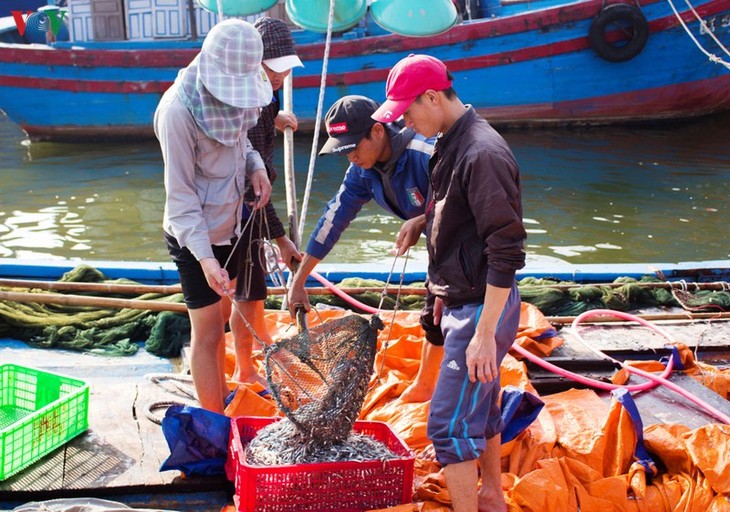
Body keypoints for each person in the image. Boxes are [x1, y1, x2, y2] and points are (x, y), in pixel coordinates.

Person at [373, 54, 526, 512]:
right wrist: (423, 220)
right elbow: (458, 211)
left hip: (483, 307)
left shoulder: (482, 153)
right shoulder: (449, 140)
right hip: (462, 297)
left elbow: (506, 249)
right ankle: (491, 494)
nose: (404, 123)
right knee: (482, 403)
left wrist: (482, 335)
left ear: (433, 97)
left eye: (407, 111)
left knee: (447, 425)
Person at [285, 94, 445, 402]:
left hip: (469, 236)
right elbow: (334, 218)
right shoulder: (362, 169)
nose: (352, 158)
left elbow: (466, 197)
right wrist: (299, 280)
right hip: (439, 237)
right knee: (435, 306)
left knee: (448, 306)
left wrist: (422, 220)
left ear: (377, 131)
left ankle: (435, 388)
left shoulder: (426, 152)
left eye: (353, 148)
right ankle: (426, 384)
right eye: (344, 153)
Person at [154, 19, 273, 414]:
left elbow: (242, 143)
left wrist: (255, 168)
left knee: (224, 314)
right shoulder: (178, 113)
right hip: (194, 236)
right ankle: (213, 424)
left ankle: (218, 393)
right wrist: (205, 259)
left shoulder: (237, 101)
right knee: (207, 333)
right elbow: (181, 199)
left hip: (232, 225)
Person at [228, 16, 303, 389]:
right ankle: (244, 368)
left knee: (254, 285)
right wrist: (282, 239)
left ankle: (257, 346)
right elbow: (255, 192)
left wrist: (277, 115)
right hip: (243, 205)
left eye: (285, 68)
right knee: (247, 289)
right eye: (274, 68)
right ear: (255, 60)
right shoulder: (246, 99)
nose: (281, 76)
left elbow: (263, 116)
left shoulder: (265, 95)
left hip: (256, 199)